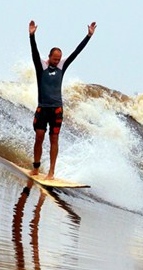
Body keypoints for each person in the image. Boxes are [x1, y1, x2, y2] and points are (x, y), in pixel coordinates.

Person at [28, 19, 97, 178]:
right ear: (49, 56)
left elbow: (76, 52)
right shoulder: (41, 67)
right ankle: (36, 168)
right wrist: (31, 36)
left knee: (54, 139)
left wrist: (88, 36)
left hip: (57, 109)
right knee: (39, 137)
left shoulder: (62, 66)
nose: (57, 61)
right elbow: (34, 52)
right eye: (55, 58)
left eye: (59, 59)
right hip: (43, 108)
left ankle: (51, 172)